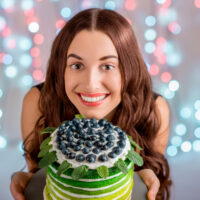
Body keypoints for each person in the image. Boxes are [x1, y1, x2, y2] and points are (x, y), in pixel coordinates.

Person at [10, 8, 171, 200]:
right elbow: (43, 176)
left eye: (108, 66)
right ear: (61, 67)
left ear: (129, 69)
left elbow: (150, 191)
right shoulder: (38, 102)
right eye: (77, 66)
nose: (90, 84)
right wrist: (27, 179)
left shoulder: (154, 110)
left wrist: (140, 182)